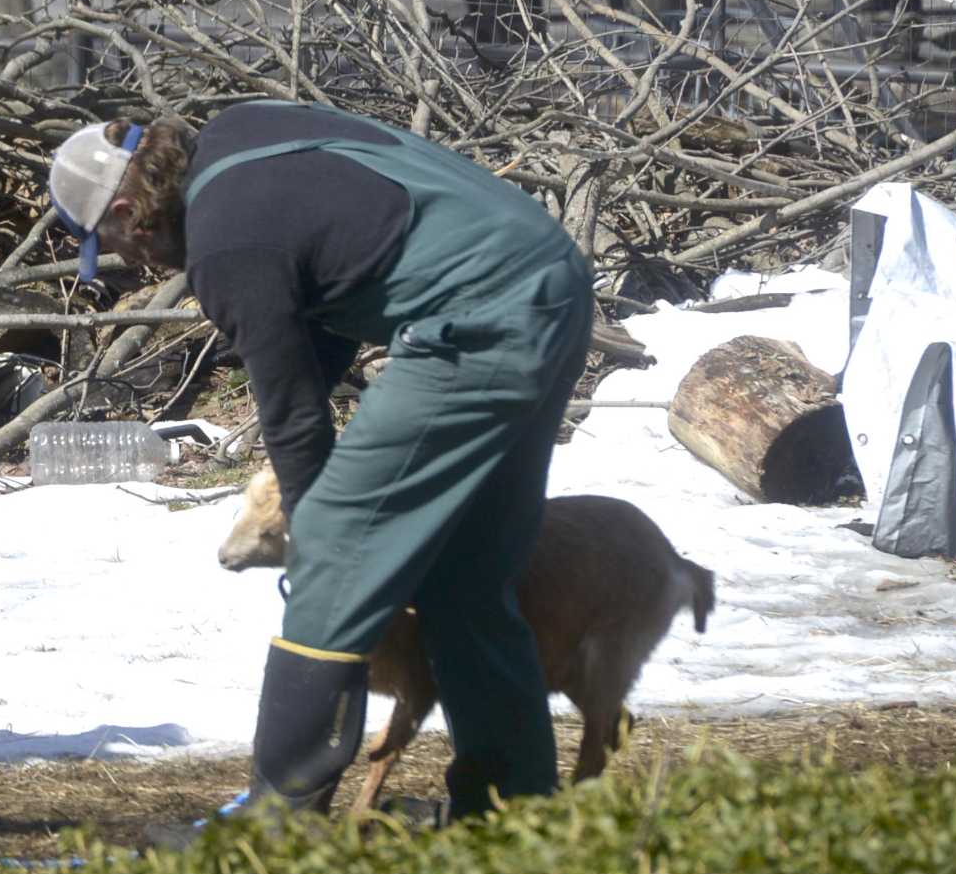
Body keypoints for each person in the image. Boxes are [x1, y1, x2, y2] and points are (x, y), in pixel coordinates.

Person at [47, 100, 593, 823]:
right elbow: (324, 305)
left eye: (111, 242)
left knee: (334, 542)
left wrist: (323, 542)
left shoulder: (223, 246)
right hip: (550, 282)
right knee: (467, 574)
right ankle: (510, 812)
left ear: (128, 210)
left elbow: (294, 417)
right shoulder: (246, 134)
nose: (127, 261)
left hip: (476, 323)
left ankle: (278, 825)